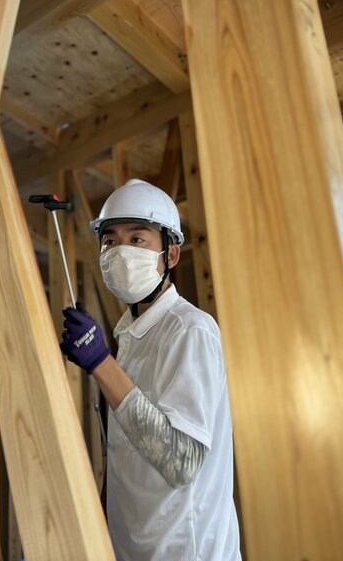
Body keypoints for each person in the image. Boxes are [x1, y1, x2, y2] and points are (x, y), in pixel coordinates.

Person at [59, 179, 241, 560]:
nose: (120, 251)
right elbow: (124, 455)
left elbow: (182, 462)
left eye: (137, 239)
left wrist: (100, 364)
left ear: (171, 255)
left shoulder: (189, 329)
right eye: (110, 241)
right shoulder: (129, 337)